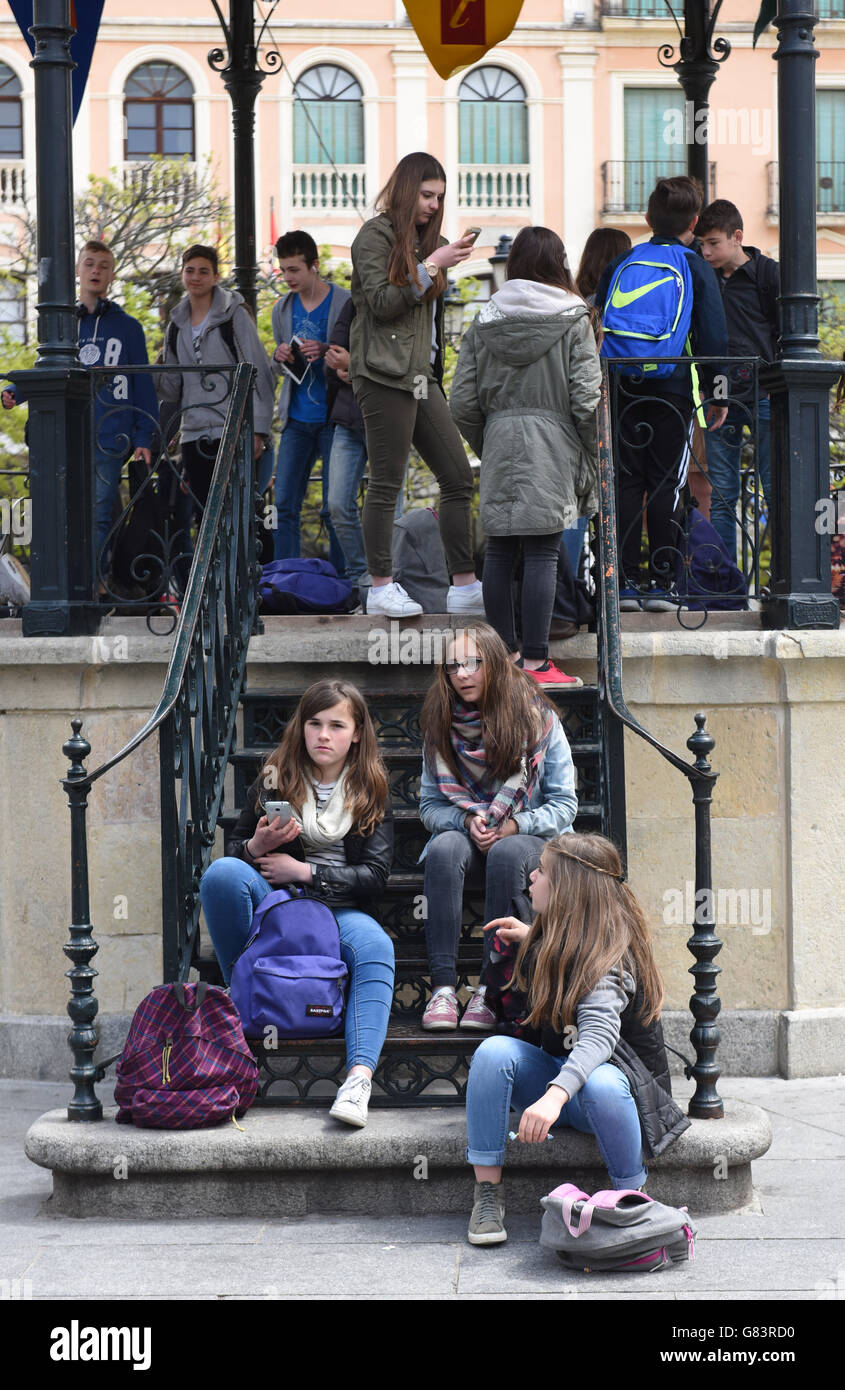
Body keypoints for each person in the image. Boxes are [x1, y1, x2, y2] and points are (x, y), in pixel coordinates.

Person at [199, 678, 395, 1129]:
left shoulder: (371, 787)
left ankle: (358, 1079)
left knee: (377, 947)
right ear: (301, 728)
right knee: (222, 874)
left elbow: (376, 878)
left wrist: (305, 872)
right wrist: (255, 845)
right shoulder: (277, 774)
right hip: (278, 905)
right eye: (314, 723)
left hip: (338, 911)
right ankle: (243, 1001)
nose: (324, 735)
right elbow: (236, 857)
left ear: (357, 733)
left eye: (337, 725)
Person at [465, 831, 669, 1246]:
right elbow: (566, 948)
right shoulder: (563, 937)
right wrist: (533, 936)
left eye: (541, 872)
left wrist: (554, 1096)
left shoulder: (610, 955)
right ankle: (487, 1193)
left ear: (568, 888)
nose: (531, 880)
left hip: (615, 1097)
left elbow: (598, 1037)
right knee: (493, 1052)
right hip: (565, 1081)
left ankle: (633, 1196)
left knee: (601, 1081)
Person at [450, 226, 601, 687]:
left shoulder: (484, 320)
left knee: (499, 550)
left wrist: (490, 439)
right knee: (542, 551)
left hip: (499, 441)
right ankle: (536, 663)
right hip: (553, 445)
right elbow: (586, 399)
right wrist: (594, 452)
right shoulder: (574, 318)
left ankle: (499, 660)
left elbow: (460, 402)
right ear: (558, 263)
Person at [418, 623, 577, 1032]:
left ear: (495, 663)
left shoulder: (537, 718)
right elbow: (430, 805)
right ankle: (442, 990)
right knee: (442, 850)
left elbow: (564, 804)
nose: (462, 674)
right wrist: (466, 819)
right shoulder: (441, 722)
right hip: (470, 833)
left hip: (526, 838)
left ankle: (489, 990)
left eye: (473, 663)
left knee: (507, 853)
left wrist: (514, 825)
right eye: (453, 665)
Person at [349, 150, 484, 619]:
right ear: (407, 191)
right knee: (387, 482)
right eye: (426, 195)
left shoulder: (432, 241)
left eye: (439, 197)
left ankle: (464, 587)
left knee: (458, 476)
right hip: (383, 374)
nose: (432, 204)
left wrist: (437, 257)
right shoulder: (374, 236)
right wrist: (431, 264)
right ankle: (381, 587)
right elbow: (384, 303)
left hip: (421, 378)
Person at [595, 177, 729, 612]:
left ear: (648, 219)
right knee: (667, 482)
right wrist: (717, 391)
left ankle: (625, 582)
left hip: (619, 384)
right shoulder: (695, 265)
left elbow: (596, 322)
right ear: (694, 222)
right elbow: (712, 334)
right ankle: (663, 582)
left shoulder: (622, 262)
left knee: (626, 479)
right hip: (671, 386)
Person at [2, 239, 158, 574]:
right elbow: (47, 370)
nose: (95, 271)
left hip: (112, 434)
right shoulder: (63, 324)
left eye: (103, 266)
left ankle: (92, 583)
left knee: (100, 510)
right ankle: (67, 580)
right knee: (64, 511)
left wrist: (145, 437)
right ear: (77, 270)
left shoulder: (128, 327)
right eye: (89, 264)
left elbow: (143, 385)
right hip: (68, 433)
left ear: (112, 274)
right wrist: (17, 390)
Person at [160, 244, 275, 519]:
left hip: (232, 428)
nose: (196, 277)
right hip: (194, 432)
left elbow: (257, 370)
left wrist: (259, 429)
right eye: (190, 271)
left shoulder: (233, 314)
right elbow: (172, 386)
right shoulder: (176, 323)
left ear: (215, 276)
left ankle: (240, 565)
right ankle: (212, 565)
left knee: (238, 514)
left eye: (203, 271)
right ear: (182, 274)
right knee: (205, 515)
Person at [697, 199, 779, 566]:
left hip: (763, 393)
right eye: (702, 243)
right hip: (719, 395)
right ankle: (725, 586)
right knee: (723, 494)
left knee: (775, 486)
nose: (706, 251)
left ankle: (784, 577)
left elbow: (784, 333)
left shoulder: (768, 275)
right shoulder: (703, 276)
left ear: (737, 237)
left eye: (713, 242)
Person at [271, 231, 349, 574]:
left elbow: (358, 353)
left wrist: (327, 348)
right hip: (296, 419)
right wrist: (280, 354)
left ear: (314, 266)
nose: (287, 277)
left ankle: (345, 582)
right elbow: (281, 363)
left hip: (335, 417)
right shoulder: (281, 309)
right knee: (284, 502)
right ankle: (283, 578)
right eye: (283, 270)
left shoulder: (343, 301)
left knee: (335, 507)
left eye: (294, 270)